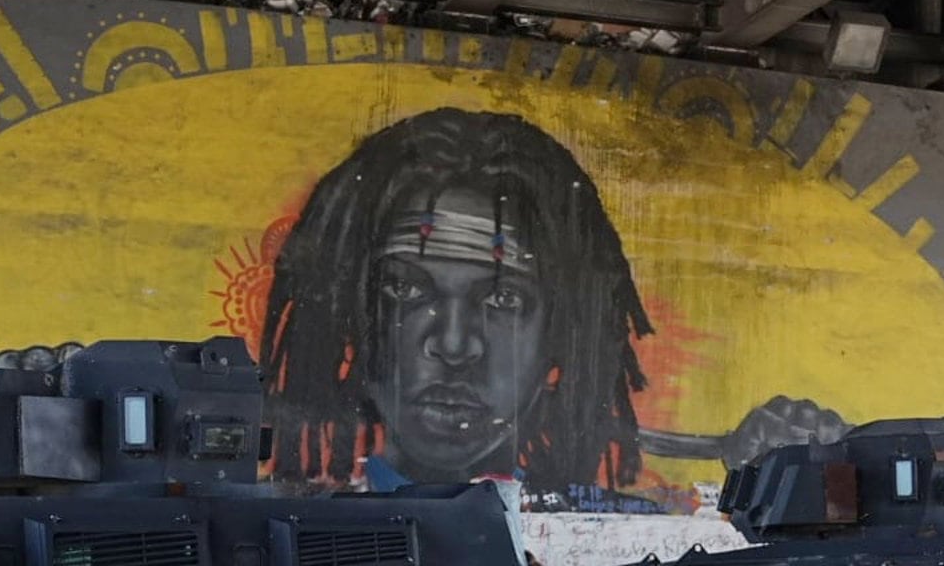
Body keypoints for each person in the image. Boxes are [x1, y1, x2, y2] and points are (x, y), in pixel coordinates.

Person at [260, 109, 846, 510]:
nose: (457, 344)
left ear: (560, 337)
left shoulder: (633, 533)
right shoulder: (295, 528)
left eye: (504, 299)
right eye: (406, 291)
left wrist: (779, 487)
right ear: (350, 315)